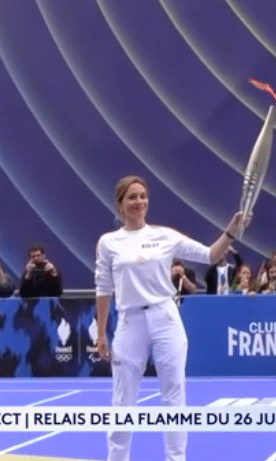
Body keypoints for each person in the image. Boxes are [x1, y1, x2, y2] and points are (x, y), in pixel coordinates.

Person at [94, 175, 247, 461]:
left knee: (173, 396)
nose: (139, 201)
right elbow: (103, 288)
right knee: (123, 400)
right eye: (132, 197)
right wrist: (101, 333)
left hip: (165, 317)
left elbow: (210, 255)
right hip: (129, 321)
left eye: (143, 196)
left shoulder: (165, 235)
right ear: (120, 204)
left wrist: (231, 231)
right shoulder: (108, 242)